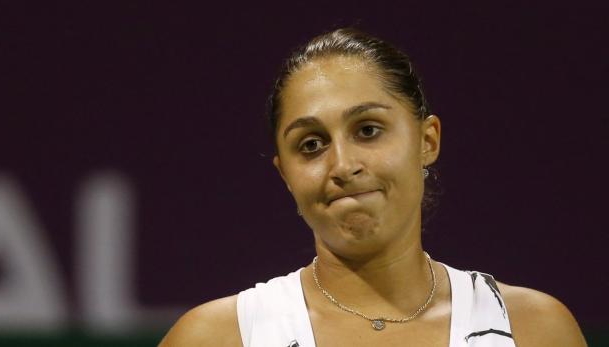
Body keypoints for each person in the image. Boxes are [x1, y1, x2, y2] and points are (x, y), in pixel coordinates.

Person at [159, 28, 587, 347]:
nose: (342, 165)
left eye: (368, 130)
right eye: (311, 145)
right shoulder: (216, 337)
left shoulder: (535, 330)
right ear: (285, 175)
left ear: (427, 141)